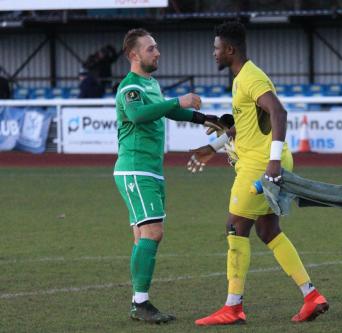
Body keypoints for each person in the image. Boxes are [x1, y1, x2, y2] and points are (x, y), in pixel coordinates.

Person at [188, 21, 329, 326]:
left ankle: (233, 307)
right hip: (265, 161)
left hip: (261, 164)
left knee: (235, 227)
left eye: (216, 48)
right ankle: (311, 296)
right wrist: (213, 147)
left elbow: (278, 112)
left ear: (230, 49)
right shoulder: (242, 78)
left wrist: (274, 163)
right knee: (268, 231)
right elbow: (246, 126)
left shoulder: (250, 77)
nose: (213, 53)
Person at [113, 28, 224, 324]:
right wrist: (179, 101)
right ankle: (140, 302)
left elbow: (167, 112)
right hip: (135, 169)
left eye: (156, 47)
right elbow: (138, 115)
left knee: (142, 235)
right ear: (133, 55)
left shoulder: (151, 85)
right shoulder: (130, 88)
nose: (157, 52)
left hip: (150, 170)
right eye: (151, 48)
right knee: (153, 233)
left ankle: (139, 302)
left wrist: (205, 118)